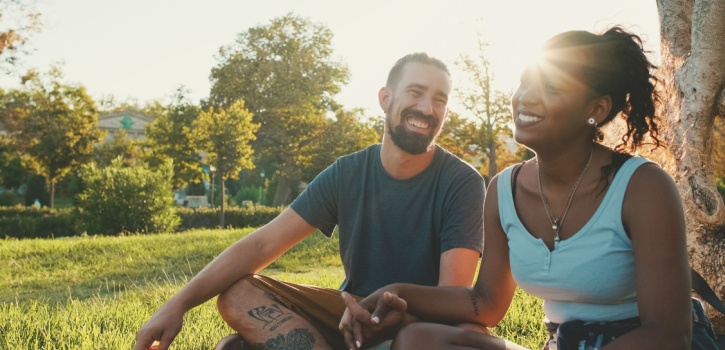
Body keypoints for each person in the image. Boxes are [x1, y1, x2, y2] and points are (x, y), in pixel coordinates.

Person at [340, 27, 709, 349]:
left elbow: (668, 335)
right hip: (566, 341)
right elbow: (486, 304)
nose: (524, 98)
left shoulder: (641, 186)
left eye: (550, 87)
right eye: (524, 82)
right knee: (418, 340)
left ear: (595, 108)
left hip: (642, 343)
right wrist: (398, 293)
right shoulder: (504, 190)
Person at [134, 52, 486, 350]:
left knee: (461, 338)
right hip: (347, 315)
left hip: (419, 325)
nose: (427, 108)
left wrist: (389, 315)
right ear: (385, 98)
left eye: (439, 99)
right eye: (416, 92)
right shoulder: (347, 173)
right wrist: (177, 304)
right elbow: (262, 244)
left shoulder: (462, 182)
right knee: (238, 294)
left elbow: (451, 300)